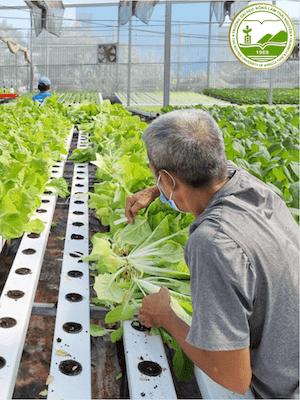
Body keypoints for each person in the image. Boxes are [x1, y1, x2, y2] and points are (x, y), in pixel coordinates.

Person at [125, 109, 299, 398]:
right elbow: (207, 168)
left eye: (158, 179)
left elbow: (234, 377)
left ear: (168, 180)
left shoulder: (213, 243)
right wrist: (155, 191)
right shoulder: (252, 187)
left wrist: (166, 316)